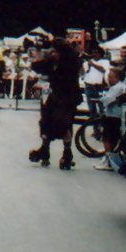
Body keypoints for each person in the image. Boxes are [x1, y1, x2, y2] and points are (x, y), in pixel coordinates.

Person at [28, 37, 82, 170]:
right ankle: (44, 149)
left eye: (55, 51)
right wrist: (39, 51)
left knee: (62, 123)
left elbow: (67, 80)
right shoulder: (52, 61)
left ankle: (67, 153)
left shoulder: (71, 64)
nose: (53, 53)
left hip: (68, 98)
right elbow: (36, 66)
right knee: (45, 121)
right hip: (54, 96)